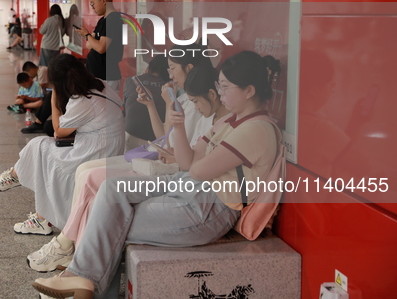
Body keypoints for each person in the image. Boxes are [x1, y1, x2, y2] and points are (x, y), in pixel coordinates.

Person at [31, 51, 282, 298]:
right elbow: (187, 163)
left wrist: (192, 155)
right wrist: (179, 125)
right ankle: (82, 280)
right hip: (187, 187)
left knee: (110, 220)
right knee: (109, 191)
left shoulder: (256, 129)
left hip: (208, 209)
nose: (221, 91)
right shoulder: (230, 121)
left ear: (249, 91)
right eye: (220, 84)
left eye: (226, 86)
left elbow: (197, 169)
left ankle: (80, 280)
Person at [25, 59, 223, 273]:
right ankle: (73, 251)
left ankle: (70, 250)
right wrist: (155, 106)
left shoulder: (208, 112)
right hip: (162, 160)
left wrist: (176, 149)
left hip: (171, 171)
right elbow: (165, 138)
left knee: (95, 182)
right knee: (86, 173)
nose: (170, 74)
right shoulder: (185, 101)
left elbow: (189, 164)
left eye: (173, 68)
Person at [0, 54, 125, 233]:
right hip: (106, 146)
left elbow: (58, 131)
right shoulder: (99, 84)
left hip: (96, 151)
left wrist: (53, 98)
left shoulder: (83, 101)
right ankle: (39, 212)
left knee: (42, 150)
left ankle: (20, 183)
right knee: (42, 149)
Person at [75, 0, 123, 94]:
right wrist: (91, 39)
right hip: (98, 76)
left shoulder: (113, 19)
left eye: (93, 4)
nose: (92, 8)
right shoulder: (103, 20)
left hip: (107, 77)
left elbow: (101, 47)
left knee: (106, 110)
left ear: (103, 1)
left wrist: (87, 35)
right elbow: (89, 44)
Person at [122, 56, 170, 151]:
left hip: (131, 136)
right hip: (158, 142)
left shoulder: (131, 80)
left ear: (150, 67)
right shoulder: (169, 87)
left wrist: (144, 77)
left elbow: (125, 108)